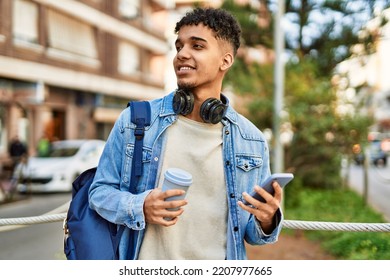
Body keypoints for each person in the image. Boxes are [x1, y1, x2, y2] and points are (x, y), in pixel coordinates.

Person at [89, 7, 283, 260]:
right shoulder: (136, 121)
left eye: (197, 46)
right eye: (179, 46)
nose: (182, 54)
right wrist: (140, 206)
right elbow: (99, 193)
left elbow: (252, 235)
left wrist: (267, 218)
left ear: (225, 60)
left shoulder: (252, 140)